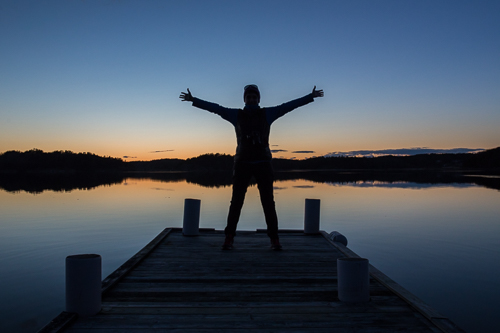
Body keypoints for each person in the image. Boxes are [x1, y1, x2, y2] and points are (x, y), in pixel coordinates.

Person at [180, 84, 324, 250]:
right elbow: (216, 108)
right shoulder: (236, 115)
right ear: (245, 99)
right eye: (249, 97)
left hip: (263, 163)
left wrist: (309, 97)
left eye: (254, 97)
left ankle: (274, 239)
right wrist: (194, 100)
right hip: (242, 163)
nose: (251, 99)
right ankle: (229, 237)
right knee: (236, 203)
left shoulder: (267, 114)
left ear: (258, 99)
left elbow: (289, 106)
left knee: (268, 202)